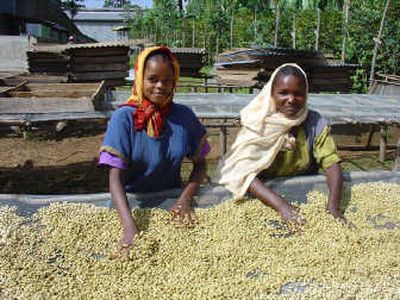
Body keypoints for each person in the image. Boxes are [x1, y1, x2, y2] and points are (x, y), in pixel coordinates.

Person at [99, 46, 210, 248]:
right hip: (128, 205)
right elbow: (114, 177)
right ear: (140, 78)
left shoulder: (183, 117)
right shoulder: (124, 118)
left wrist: (185, 199)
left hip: (172, 201)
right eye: (152, 79)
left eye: (167, 80)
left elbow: (201, 165)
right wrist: (130, 228)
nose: (160, 86)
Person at [216, 63, 347, 226]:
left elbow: (331, 164)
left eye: (298, 94)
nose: (291, 100)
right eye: (283, 93)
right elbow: (244, 172)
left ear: (306, 95)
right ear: (272, 93)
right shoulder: (258, 122)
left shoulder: (314, 122)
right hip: (260, 196)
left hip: (302, 192)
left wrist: (333, 206)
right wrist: (282, 206)